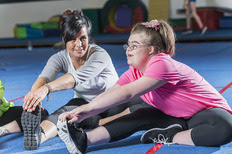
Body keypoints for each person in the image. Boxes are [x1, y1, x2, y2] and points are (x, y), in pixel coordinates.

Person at [57, 19, 232, 154]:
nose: (128, 49)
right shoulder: (135, 71)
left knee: (226, 127)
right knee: (141, 110)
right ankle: (84, 140)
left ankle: (170, 135)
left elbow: (128, 92)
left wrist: (86, 109)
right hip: (176, 117)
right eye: (128, 44)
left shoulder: (162, 62)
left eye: (134, 45)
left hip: (205, 115)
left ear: (151, 50)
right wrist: (85, 112)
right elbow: (112, 94)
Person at [0, 9, 150, 150]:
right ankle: (39, 136)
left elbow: (74, 79)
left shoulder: (99, 54)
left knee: (144, 103)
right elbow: (44, 78)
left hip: (114, 103)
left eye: (83, 38)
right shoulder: (59, 58)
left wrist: (45, 90)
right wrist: (33, 98)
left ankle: (102, 122)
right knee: (62, 114)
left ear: (89, 38)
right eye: (72, 39)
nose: (79, 45)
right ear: (63, 39)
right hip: (87, 106)